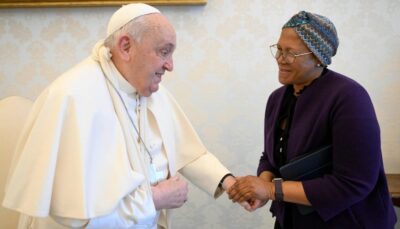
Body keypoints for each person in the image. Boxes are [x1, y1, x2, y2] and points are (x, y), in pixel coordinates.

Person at [2, 3, 241, 228]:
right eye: (163, 52)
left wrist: (231, 183)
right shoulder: (73, 97)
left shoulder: (149, 88)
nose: (170, 66)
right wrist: (155, 199)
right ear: (126, 47)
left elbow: (186, 149)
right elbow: (76, 217)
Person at [228, 11, 397, 228]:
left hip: (348, 222)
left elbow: (353, 183)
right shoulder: (277, 99)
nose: (280, 59)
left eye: (291, 53)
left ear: (318, 57)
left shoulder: (350, 97)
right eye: (278, 49)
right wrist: (262, 184)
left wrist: (271, 190)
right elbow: (271, 157)